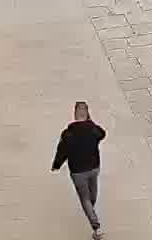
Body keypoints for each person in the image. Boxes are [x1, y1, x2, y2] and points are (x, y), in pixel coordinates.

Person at [51, 101, 107, 238]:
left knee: (86, 198)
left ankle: (91, 215)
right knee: (92, 196)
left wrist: (56, 165)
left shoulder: (68, 133)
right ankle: (95, 224)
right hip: (94, 168)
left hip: (78, 171)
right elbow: (102, 134)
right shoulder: (93, 129)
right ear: (87, 114)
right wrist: (90, 122)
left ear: (74, 114)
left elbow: (61, 151)